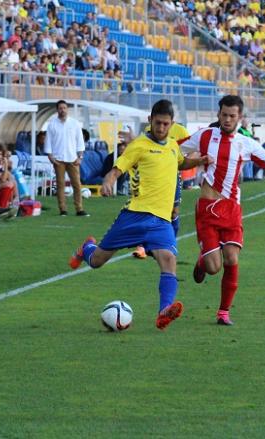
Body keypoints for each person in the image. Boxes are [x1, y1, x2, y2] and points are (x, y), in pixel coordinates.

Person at [67, 100, 212, 331]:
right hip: (134, 216)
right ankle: (87, 250)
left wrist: (200, 161)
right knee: (97, 262)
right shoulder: (139, 145)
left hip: (161, 221)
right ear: (150, 120)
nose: (161, 127)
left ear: (172, 124)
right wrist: (108, 180)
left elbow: (181, 162)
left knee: (169, 260)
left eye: (166, 124)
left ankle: (164, 311)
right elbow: (119, 167)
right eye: (158, 123)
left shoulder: (173, 145)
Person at [180, 95, 265, 326]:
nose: (227, 119)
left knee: (232, 258)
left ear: (240, 118)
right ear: (218, 114)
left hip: (231, 209)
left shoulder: (246, 144)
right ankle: (203, 260)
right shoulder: (204, 136)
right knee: (214, 267)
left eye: (232, 116)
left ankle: (223, 312)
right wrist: (189, 160)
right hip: (207, 208)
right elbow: (174, 150)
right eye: (223, 115)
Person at [129, 121, 190, 260]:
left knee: (173, 211)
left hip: (172, 177)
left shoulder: (181, 131)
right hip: (153, 178)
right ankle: (141, 247)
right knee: (147, 210)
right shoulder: (149, 130)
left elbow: (191, 150)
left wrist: (183, 162)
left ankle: (169, 245)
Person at [43, 100, 89, 217]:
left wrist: (80, 157)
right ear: (57, 110)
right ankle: (63, 209)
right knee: (60, 185)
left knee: (77, 184)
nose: (62, 110)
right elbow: (48, 142)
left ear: (67, 109)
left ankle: (79, 209)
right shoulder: (52, 124)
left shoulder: (75, 123)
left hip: (73, 158)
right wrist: (50, 157)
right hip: (58, 159)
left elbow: (80, 141)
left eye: (64, 108)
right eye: (60, 108)